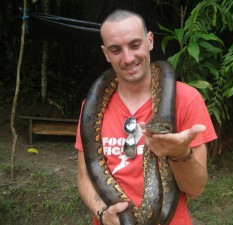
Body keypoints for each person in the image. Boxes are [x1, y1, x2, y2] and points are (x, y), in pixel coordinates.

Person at [75, 9, 217, 225]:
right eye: (116, 50)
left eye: (135, 45)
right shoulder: (90, 108)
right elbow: (86, 174)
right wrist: (102, 213)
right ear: (106, 53)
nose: (128, 58)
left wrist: (179, 154)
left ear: (149, 41)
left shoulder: (187, 99)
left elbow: (196, 189)